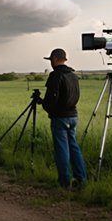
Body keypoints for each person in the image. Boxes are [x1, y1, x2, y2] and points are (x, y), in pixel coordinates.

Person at [41, 48, 87, 188]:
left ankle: (64, 182)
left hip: (60, 118)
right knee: (74, 147)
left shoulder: (56, 75)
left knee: (61, 149)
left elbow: (51, 99)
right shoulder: (73, 74)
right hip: (73, 115)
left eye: (51, 60)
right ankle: (81, 179)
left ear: (55, 58)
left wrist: (45, 105)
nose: (51, 63)